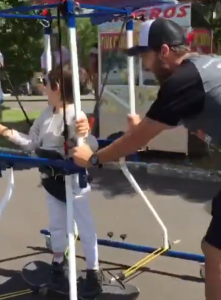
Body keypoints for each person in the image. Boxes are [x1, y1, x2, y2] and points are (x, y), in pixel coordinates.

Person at [72, 18, 221, 300]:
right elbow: (151, 131)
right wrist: (143, 129)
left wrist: (93, 159)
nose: (145, 65)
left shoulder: (181, 82)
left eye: (146, 56)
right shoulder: (206, 68)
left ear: (164, 51)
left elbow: (136, 140)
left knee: (215, 253)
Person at [0, 66, 103, 298]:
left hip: (73, 183)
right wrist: (5, 132)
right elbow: (31, 143)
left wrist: (87, 134)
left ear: (57, 87)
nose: (42, 86)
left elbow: (92, 145)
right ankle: (58, 264)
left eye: (45, 82)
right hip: (51, 182)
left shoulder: (76, 115)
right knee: (57, 227)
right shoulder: (46, 114)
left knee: (86, 229)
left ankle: (93, 272)